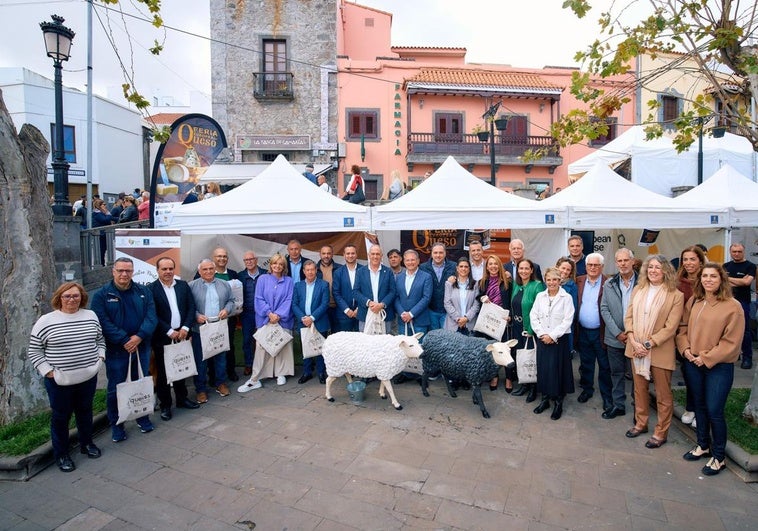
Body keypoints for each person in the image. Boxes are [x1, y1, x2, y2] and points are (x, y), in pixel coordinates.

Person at [28, 282, 105, 472]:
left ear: (82, 297)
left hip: (87, 377)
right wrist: (48, 372)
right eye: (67, 296)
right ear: (59, 298)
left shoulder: (91, 316)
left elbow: (100, 339)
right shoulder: (46, 321)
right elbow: (35, 350)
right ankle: (62, 454)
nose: (72, 299)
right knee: (61, 417)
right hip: (59, 381)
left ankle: (87, 444)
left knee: (85, 412)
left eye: (76, 296)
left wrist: (100, 358)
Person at [676, 263, 744, 476]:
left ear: (721, 279)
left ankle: (719, 456)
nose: (708, 280)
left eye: (713, 276)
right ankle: (703, 445)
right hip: (692, 362)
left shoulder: (733, 306)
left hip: (718, 367)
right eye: (705, 276)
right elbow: (683, 327)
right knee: (700, 406)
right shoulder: (695, 301)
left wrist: (705, 358)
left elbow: (731, 342)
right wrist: (685, 349)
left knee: (715, 410)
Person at [91, 257, 158, 443]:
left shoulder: (143, 291)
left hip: (141, 346)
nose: (124, 274)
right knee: (115, 388)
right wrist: (124, 339)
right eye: (120, 270)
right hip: (117, 350)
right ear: (113, 271)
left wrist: (139, 337)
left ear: (133, 271)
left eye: (128, 271)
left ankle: (141, 417)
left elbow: (151, 317)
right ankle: (117, 424)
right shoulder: (101, 295)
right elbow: (102, 321)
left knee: (141, 382)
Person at [624, 255, 684, 449]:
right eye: (650, 267)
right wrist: (633, 340)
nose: (653, 270)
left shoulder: (675, 295)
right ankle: (641, 423)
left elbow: (670, 327)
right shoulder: (638, 289)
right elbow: (629, 317)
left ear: (665, 270)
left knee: (662, 394)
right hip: (636, 347)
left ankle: (661, 431)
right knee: (639, 390)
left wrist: (648, 344)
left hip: (659, 350)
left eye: (657, 267)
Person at [149, 257, 200, 421]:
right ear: (157, 270)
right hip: (164, 337)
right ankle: (165, 405)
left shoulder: (183, 286)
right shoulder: (151, 289)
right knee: (164, 373)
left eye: (170, 268)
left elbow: (191, 307)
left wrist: (185, 328)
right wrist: (169, 331)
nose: (168, 272)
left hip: (183, 334)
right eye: (164, 269)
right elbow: (153, 315)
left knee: (181, 367)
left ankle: (182, 399)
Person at [238, 253, 295, 391]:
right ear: (271, 265)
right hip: (265, 319)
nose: (278, 266)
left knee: (282, 346)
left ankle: (281, 373)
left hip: (283, 320)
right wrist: (269, 313)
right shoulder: (263, 279)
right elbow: (258, 298)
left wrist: (279, 315)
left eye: (281, 264)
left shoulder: (289, 281)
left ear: (284, 267)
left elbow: (289, 300)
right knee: (262, 348)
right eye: (275, 263)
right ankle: (255, 378)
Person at [530, 267, 575, 420]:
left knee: (557, 370)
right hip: (542, 338)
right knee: (543, 369)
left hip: (558, 340)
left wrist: (552, 335)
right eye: (548, 279)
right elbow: (533, 316)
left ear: (560, 280)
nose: (551, 282)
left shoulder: (566, 297)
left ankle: (557, 402)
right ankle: (545, 399)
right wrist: (542, 333)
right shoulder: (540, 296)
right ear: (545, 280)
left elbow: (567, 320)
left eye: (555, 279)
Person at [188, 259, 236, 401]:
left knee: (220, 358)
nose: (208, 272)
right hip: (200, 329)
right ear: (199, 271)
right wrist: (196, 316)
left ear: (215, 269)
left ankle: (220, 383)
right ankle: (201, 389)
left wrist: (226, 310)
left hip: (219, 327)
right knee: (200, 360)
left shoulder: (224, 284)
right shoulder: (191, 286)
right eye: (205, 269)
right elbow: (188, 306)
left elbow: (231, 301)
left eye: (210, 269)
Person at [599, 248, 637, 420]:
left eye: (626, 260)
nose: (623, 264)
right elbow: (604, 309)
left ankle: (639, 408)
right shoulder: (610, 283)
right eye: (619, 261)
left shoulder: (643, 283)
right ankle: (618, 405)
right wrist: (617, 333)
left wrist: (632, 334)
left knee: (638, 376)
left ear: (632, 261)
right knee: (616, 373)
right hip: (615, 337)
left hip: (637, 338)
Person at [195, 247, 240, 383]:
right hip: (204, 324)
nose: (222, 258)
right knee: (206, 352)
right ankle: (208, 380)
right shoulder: (195, 282)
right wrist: (196, 315)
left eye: (224, 256)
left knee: (225, 348)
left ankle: (226, 375)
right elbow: (191, 303)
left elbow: (233, 299)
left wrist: (228, 310)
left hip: (224, 321)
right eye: (219, 256)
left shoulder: (230, 277)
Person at [575, 252, 612, 410]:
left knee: (604, 365)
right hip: (583, 330)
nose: (593, 267)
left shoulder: (609, 283)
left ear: (602, 267)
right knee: (586, 362)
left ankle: (607, 396)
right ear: (585, 266)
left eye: (596, 265)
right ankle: (587, 389)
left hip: (601, 331)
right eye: (590, 264)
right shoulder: (579, 280)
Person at [676, 245, 707, 426]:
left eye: (692, 259)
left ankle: (700, 411)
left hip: (705, 335)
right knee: (689, 373)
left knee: (704, 374)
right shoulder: (678, 282)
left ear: (700, 261)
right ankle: (691, 407)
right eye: (685, 259)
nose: (688, 263)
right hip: (684, 334)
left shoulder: (708, 279)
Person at [511, 258, 546, 401]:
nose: (523, 271)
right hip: (516, 326)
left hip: (530, 329)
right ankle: (524, 384)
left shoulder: (538, 286)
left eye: (526, 268)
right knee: (521, 356)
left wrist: (531, 330)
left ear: (532, 270)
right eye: (521, 268)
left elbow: (540, 311)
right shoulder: (516, 285)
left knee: (532, 358)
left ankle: (534, 388)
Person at [478, 254, 512, 391]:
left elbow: (511, 300)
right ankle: (494, 376)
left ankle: (509, 378)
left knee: (505, 349)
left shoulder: (507, 281)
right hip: (489, 322)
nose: (493, 266)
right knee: (492, 350)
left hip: (503, 321)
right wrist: (482, 298)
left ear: (500, 266)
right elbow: (478, 296)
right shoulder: (483, 282)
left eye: (495, 264)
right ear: (487, 267)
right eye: (490, 264)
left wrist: (509, 316)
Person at [294, 260, 330, 384]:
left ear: (316, 271)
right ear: (304, 272)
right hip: (303, 321)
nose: (310, 272)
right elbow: (294, 304)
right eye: (307, 270)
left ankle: (321, 372)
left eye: (312, 269)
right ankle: (307, 372)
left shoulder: (324, 285)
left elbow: (325, 304)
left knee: (320, 349)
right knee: (306, 348)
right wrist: (303, 318)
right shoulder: (298, 286)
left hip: (319, 321)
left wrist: (312, 318)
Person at [723, 243, 755, 370]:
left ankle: (747, 357)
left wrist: (729, 279)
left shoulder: (750, 266)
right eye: (734, 251)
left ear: (744, 251)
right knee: (727, 330)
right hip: (727, 301)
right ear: (730, 252)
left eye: (739, 251)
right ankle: (733, 355)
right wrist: (739, 281)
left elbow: (747, 282)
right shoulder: (726, 266)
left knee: (745, 331)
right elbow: (723, 282)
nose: (736, 253)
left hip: (743, 302)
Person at [354, 244, 396, 333]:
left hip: (384, 313)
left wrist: (382, 304)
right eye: (373, 254)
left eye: (377, 254)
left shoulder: (388, 271)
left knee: (385, 342)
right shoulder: (360, 272)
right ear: (369, 255)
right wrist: (369, 303)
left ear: (381, 256)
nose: (375, 256)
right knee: (365, 343)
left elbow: (393, 291)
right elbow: (355, 292)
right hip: (365, 313)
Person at [240, 250, 266, 376]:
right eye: (246, 260)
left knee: (263, 340)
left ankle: (263, 364)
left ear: (256, 260)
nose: (249, 262)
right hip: (247, 314)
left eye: (251, 259)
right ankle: (249, 364)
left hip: (263, 313)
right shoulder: (240, 276)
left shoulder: (265, 274)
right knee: (247, 340)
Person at [420, 242, 457, 330]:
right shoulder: (423, 267)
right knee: (434, 337)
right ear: (431, 253)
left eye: (441, 252)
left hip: (448, 310)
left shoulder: (454, 266)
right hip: (430, 310)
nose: (438, 255)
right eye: (435, 253)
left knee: (447, 338)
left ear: (445, 253)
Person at [443, 257, 481, 334]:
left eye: (466, 266)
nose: (463, 269)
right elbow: (447, 303)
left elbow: (476, 304)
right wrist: (458, 318)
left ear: (469, 269)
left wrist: (466, 318)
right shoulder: (449, 284)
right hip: (453, 325)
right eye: (461, 266)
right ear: (457, 268)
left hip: (470, 325)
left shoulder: (475, 284)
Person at [332, 244, 363, 332]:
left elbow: (366, 291)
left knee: (361, 342)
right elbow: (336, 293)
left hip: (361, 312)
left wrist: (358, 309)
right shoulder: (338, 272)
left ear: (356, 254)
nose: (350, 256)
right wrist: (346, 310)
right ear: (344, 255)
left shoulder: (364, 270)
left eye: (353, 253)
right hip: (343, 314)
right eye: (348, 253)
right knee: (345, 343)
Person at [315, 244, 342, 333]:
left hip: (336, 306)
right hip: (320, 307)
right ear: (320, 254)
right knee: (321, 335)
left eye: (328, 253)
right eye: (324, 253)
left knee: (337, 335)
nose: (326, 256)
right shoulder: (314, 269)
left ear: (332, 254)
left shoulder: (340, 268)